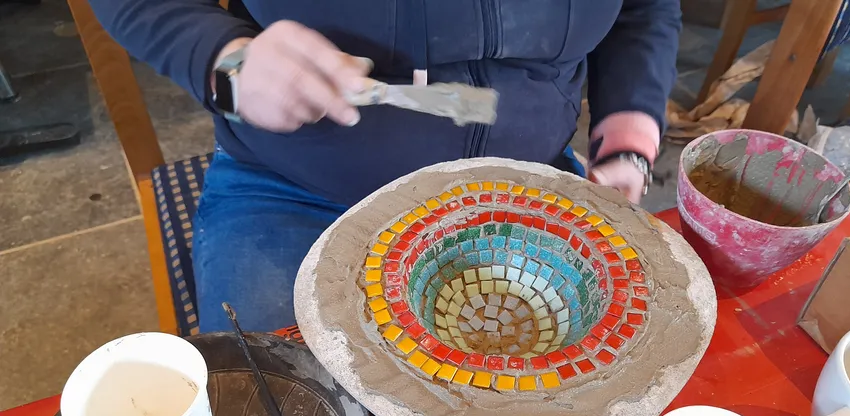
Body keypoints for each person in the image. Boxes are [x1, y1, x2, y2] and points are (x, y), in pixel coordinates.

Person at [87, 0, 680, 333]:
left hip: (522, 185)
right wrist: (219, 56)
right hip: (298, 191)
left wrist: (630, 126)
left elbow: (643, 8)